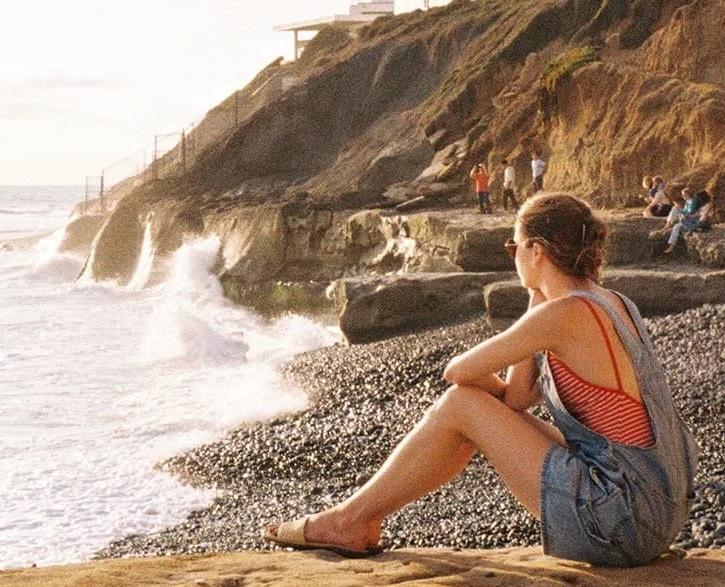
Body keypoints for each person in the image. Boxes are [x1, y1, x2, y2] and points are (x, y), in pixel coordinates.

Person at [265, 192, 695, 568]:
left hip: (621, 523)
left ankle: (348, 521)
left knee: (460, 403)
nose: (513, 258)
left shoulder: (564, 314)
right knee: (473, 406)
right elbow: (517, 398)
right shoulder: (613, 301)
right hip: (658, 511)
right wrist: (535, 300)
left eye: (514, 247)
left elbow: (458, 372)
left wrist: (531, 309)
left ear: (537, 251)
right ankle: (354, 518)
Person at [663, 189, 713, 254]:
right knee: (676, 226)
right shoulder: (699, 204)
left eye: (698, 198)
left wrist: (691, 219)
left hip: (699, 223)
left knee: (679, 216)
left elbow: (703, 218)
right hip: (693, 220)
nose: (696, 199)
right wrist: (686, 216)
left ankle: (671, 224)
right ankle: (671, 247)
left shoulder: (707, 206)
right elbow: (694, 214)